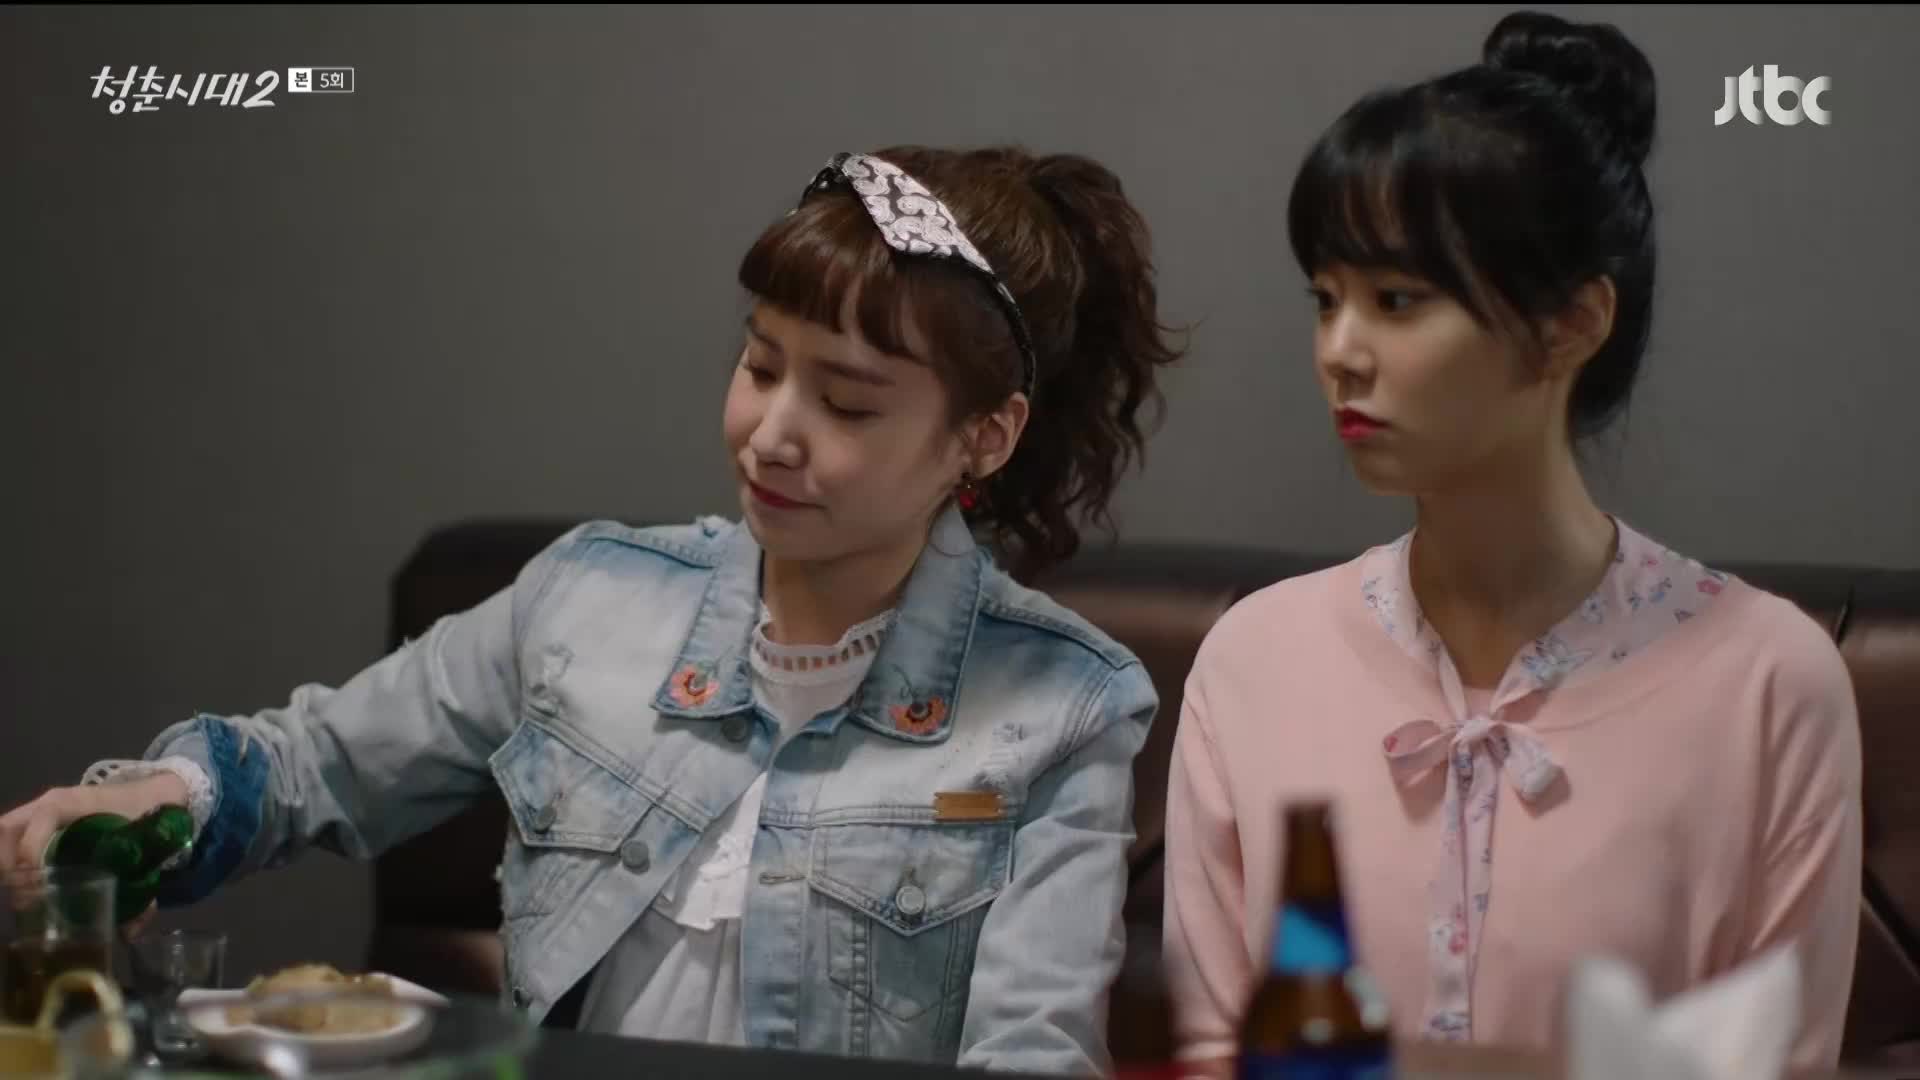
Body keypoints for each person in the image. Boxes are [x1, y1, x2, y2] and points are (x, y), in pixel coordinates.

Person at [0, 145, 1184, 1073]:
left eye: (849, 403)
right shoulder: (591, 597)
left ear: (983, 436)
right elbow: (312, 767)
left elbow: (1032, 1053)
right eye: (762, 365)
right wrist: (165, 799)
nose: (772, 434)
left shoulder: (1065, 708)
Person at [1162, 11, 1861, 1075]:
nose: (1340, 351)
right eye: (1326, 299)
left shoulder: (1771, 682)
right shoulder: (1252, 661)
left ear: (1573, 324)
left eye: (1397, 300)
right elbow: (1212, 1051)